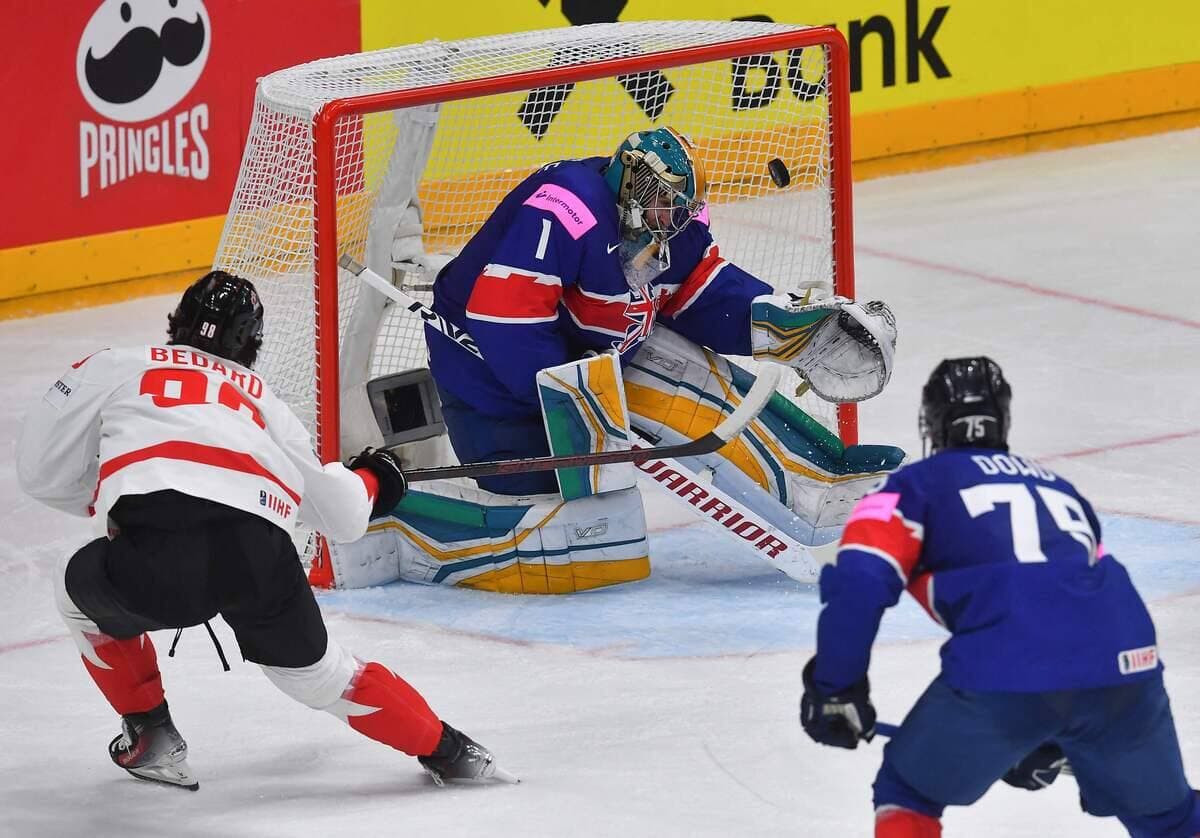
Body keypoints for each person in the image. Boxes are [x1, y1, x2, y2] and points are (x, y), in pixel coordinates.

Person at [16, 270, 515, 790]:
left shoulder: (114, 363)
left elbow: (38, 472)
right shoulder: (265, 402)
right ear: (252, 343)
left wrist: (113, 496)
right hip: (258, 551)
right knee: (328, 678)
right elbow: (342, 516)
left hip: (158, 551)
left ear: (178, 320)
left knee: (73, 587)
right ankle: (456, 753)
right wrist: (376, 478)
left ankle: (151, 733)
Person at [799, 356, 1199, 837]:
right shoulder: (1061, 490)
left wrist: (835, 687)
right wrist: (1049, 732)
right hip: (1127, 664)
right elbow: (1079, 601)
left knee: (908, 793)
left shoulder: (909, 488)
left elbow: (860, 582)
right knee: (1170, 819)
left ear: (933, 423)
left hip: (1010, 667)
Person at [425, 126, 896, 496]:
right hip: (490, 381)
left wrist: (775, 324)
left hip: (591, 358)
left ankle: (814, 474)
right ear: (630, 183)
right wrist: (571, 396)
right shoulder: (568, 206)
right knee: (567, 509)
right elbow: (505, 316)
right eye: (663, 202)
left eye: (679, 206)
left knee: (709, 393)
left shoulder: (672, 224)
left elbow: (699, 292)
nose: (673, 218)